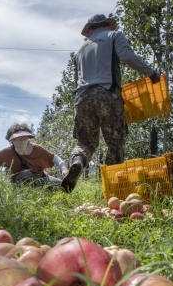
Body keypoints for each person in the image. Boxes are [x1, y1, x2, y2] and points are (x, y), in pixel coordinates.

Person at [61, 14, 161, 193]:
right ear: (108, 26)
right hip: (107, 95)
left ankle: (78, 161)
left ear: (90, 29)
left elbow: (76, 82)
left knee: (85, 142)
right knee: (114, 144)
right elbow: (127, 56)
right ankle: (114, 190)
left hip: (82, 99)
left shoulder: (80, 49)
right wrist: (151, 73)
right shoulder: (114, 36)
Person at [0, 123, 68, 188]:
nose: (21, 141)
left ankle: (44, 187)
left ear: (28, 139)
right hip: (19, 181)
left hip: (40, 177)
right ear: (12, 141)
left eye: (23, 139)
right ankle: (30, 193)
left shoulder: (37, 149)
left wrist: (63, 168)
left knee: (64, 186)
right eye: (17, 139)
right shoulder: (7, 153)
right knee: (27, 174)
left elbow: (53, 157)